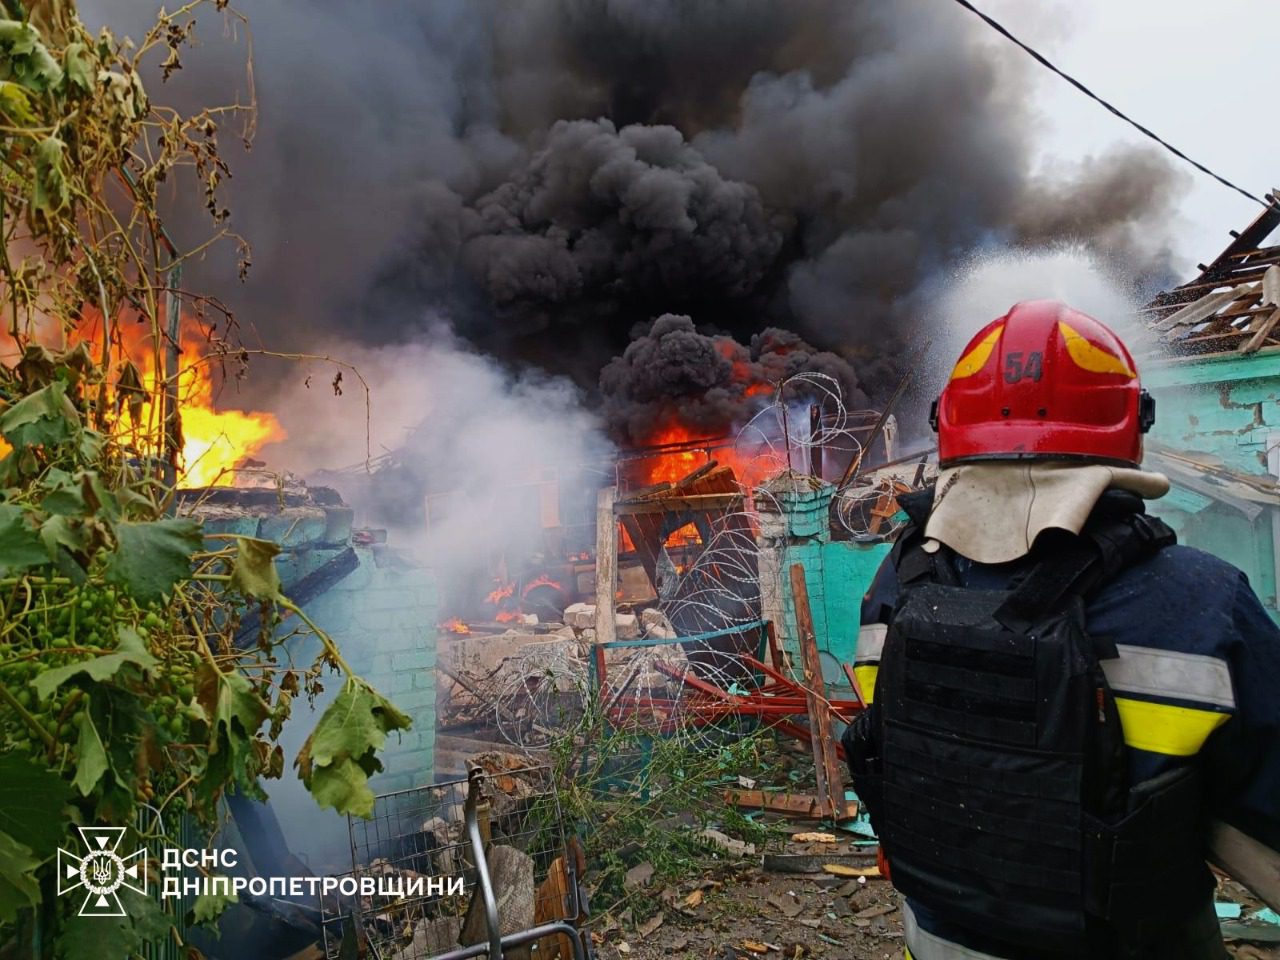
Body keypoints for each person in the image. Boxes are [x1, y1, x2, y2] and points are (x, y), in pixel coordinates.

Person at [843, 300, 1280, 960]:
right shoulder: (1200, 601)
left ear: (949, 427)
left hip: (933, 940)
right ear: (1132, 421)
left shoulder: (897, 583)